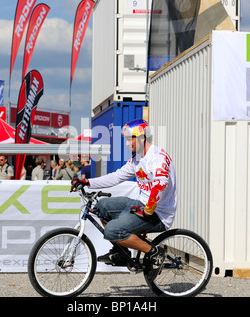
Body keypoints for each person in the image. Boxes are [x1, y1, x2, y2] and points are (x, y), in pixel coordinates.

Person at [71, 119, 176, 277]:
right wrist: (87, 182)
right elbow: (116, 177)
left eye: (129, 139)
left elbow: (160, 185)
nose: (127, 144)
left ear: (141, 137)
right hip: (143, 204)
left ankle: (154, 252)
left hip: (158, 213)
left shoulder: (157, 157)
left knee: (112, 230)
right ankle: (121, 251)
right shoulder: (138, 159)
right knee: (101, 206)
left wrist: (148, 210)